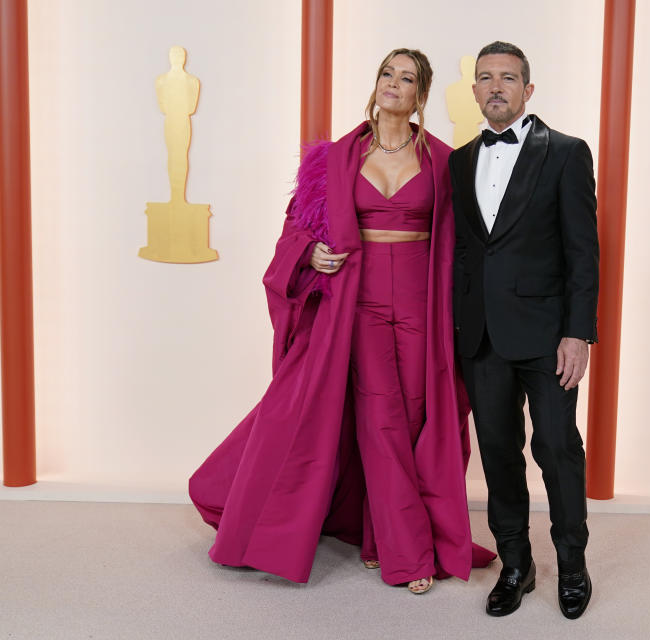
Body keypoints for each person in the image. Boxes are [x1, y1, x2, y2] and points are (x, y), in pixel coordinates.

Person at [189, 48, 495, 594]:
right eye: (386, 74)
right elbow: (295, 232)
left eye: (406, 79)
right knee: (380, 420)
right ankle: (407, 556)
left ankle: (381, 539)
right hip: (360, 304)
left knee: (418, 420)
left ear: (421, 96)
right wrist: (309, 255)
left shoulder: (447, 162)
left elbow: (467, 246)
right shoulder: (332, 159)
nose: (393, 85)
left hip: (423, 305)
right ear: (375, 83)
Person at [448, 41, 599, 619]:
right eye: (485, 78)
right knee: (497, 453)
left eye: (508, 78)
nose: (495, 87)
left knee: (558, 448)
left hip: (548, 334)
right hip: (481, 336)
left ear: (528, 90)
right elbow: (463, 252)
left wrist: (578, 332)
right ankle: (516, 564)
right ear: (475, 90)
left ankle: (573, 566)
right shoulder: (460, 161)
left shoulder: (565, 152)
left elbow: (583, 253)